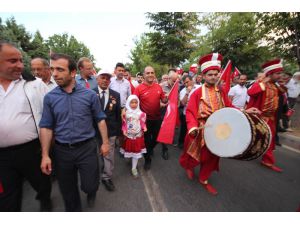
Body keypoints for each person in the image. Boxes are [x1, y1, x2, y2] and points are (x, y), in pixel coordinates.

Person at [179, 53, 259, 195]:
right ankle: (189, 167)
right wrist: (192, 127)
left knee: (213, 155)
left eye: (216, 74)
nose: (214, 77)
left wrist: (245, 111)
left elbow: (229, 107)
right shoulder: (197, 93)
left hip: (218, 129)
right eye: (210, 74)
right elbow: (191, 112)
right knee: (193, 153)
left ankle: (203, 178)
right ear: (203, 76)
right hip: (201, 129)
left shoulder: (221, 91)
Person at [39, 53, 110, 212]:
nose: (54, 74)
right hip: (62, 151)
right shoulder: (50, 98)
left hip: (87, 149)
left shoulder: (90, 95)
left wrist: (105, 143)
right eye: (52, 69)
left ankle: (91, 192)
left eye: (60, 69)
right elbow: (46, 126)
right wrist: (45, 155)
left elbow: (100, 119)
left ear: (72, 73)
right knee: (68, 192)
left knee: (90, 184)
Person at [0, 41, 52, 211]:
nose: (20, 65)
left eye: (21, 60)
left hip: (32, 150)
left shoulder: (35, 84)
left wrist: (46, 151)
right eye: (13, 61)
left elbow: (50, 115)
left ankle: (45, 201)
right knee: (8, 200)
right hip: (3, 157)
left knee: (41, 183)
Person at [247, 59, 287, 173]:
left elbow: (282, 92)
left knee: (269, 139)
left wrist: (282, 85)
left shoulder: (275, 86)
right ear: (270, 73)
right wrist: (263, 81)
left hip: (270, 118)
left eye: (281, 73)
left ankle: (267, 161)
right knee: (252, 137)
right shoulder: (261, 84)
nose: (280, 76)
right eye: (278, 73)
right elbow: (250, 92)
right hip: (259, 117)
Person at [134, 66, 168, 170]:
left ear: (154, 74)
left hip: (157, 118)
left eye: (152, 73)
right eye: (148, 73)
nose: (150, 75)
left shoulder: (158, 87)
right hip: (145, 121)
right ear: (144, 75)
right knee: (147, 141)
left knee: (158, 138)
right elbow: (134, 103)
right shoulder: (139, 88)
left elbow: (164, 100)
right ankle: (148, 160)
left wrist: (167, 98)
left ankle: (148, 150)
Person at [93, 69, 121, 192]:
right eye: (102, 77)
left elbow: (117, 115)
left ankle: (106, 177)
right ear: (97, 79)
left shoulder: (116, 95)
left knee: (109, 156)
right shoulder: (90, 93)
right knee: (94, 156)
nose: (105, 80)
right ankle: (94, 175)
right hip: (93, 132)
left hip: (111, 131)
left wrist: (118, 133)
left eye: (107, 78)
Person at [120, 95, 147, 178]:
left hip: (137, 135)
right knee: (129, 150)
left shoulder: (141, 113)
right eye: (132, 102)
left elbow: (142, 123)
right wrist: (124, 130)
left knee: (136, 152)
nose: (134, 104)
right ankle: (129, 158)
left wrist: (144, 127)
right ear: (128, 103)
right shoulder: (126, 114)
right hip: (129, 136)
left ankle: (134, 168)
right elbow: (124, 124)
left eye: (136, 102)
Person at [159, 68, 179, 160]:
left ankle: (165, 147)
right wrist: (163, 101)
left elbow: (177, 100)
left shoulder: (176, 86)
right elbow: (156, 99)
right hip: (162, 111)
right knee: (160, 129)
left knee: (167, 129)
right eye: (173, 81)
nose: (175, 83)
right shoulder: (161, 86)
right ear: (168, 79)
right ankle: (161, 148)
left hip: (171, 111)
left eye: (176, 81)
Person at [178, 75, 201, 149]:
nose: (186, 84)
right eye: (184, 83)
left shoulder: (200, 87)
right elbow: (183, 103)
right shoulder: (183, 91)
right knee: (185, 130)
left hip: (199, 113)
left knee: (197, 130)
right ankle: (181, 143)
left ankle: (196, 145)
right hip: (187, 114)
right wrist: (187, 93)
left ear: (192, 80)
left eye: (187, 82)